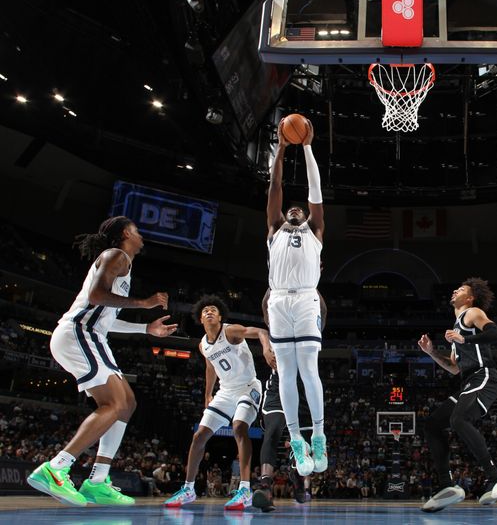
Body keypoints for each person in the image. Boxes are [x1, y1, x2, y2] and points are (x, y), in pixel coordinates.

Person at [26, 216, 177, 507]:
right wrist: (144, 303)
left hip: (94, 336)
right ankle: (55, 469)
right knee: (113, 404)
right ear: (125, 234)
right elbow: (96, 296)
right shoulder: (115, 256)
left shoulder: (123, 264)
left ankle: (97, 481)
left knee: (128, 402)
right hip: (79, 333)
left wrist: (146, 328)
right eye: (137, 231)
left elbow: (107, 320)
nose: (141, 236)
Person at [418, 278, 497, 512]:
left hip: (485, 376)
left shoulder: (472, 313)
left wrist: (465, 339)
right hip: (468, 380)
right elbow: (454, 368)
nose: (455, 290)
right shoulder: (456, 327)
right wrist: (431, 353)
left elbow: (496, 334)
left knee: (459, 420)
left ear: (470, 298)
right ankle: (447, 486)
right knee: (432, 424)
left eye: (460, 289)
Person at [164, 295, 269, 511]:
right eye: (205, 311)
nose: (209, 312)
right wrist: (207, 395)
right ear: (200, 319)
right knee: (199, 436)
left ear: (220, 316)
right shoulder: (203, 345)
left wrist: (266, 349)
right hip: (226, 392)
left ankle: (245, 489)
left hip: (248, 387)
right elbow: (210, 368)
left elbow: (261, 331)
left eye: (213, 310)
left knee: (239, 427)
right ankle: (188, 488)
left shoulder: (230, 331)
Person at [265, 116, 327, 477]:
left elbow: (315, 192)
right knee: (286, 374)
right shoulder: (274, 228)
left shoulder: (314, 229)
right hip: (277, 301)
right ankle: (297, 441)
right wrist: (281, 149)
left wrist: (305, 147)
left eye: (299, 209)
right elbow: (274, 184)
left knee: (309, 371)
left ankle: (318, 434)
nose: (294, 209)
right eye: (290, 208)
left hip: (306, 300)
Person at [252, 288, 327, 512]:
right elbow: (266, 311)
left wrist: (311, 282)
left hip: (304, 392)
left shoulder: (310, 321)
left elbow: (320, 310)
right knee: (273, 430)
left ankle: (297, 480)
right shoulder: (275, 325)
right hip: (277, 390)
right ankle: (265, 485)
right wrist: (278, 283)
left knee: (302, 443)